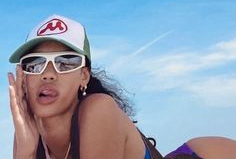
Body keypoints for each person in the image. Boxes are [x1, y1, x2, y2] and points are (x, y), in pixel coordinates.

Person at [8, 15, 236, 159]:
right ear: (24, 78)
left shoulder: (98, 109)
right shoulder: (28, 136)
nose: (48, 74)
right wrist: (26, 151)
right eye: (35, 63)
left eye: (66, 62)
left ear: (83, 77)